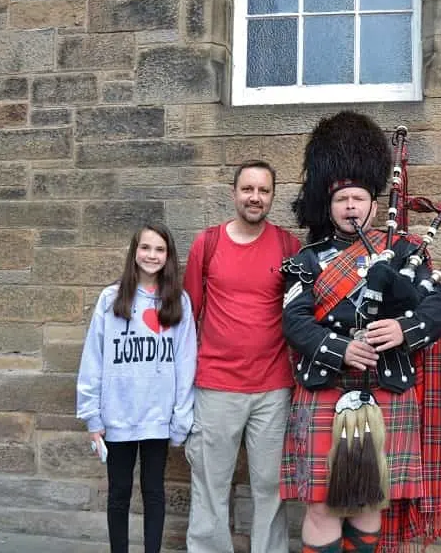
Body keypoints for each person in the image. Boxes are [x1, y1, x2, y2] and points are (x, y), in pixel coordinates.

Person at [281, 111, 441, 553]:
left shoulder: (406, 253)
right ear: (329, 205)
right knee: (320, 505)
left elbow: (435, 307)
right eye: (341, 200)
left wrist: (402, 329)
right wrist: (339, 349)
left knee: (368, 502)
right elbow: (295, 322)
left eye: (358, 198)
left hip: (386, 386)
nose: (350, 207)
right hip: (325, 387)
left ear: (375, 204)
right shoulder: (308, 260)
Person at [182, 160, 301, 553]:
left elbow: (300, 314)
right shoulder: (208, 243)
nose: (255, 197)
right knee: (211, 484)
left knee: (270, 487)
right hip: (216, 386)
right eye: (248, 189)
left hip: (273, 387)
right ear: (234, 193)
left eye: (263, 191)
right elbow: (188, 317)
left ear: (272, 196)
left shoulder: (288, 246)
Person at [76, 222, 197, 553]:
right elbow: (93, 357)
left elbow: (187, 362)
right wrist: (92, 415)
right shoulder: (110, 298)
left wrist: (180, 416)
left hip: (157, 417)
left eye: (160, 249)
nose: (152, 255)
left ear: (168, 256)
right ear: (134, 252)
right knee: (118, 494)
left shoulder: (179, 302)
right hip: (117, 416)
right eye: (146, 248)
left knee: (154, 491)